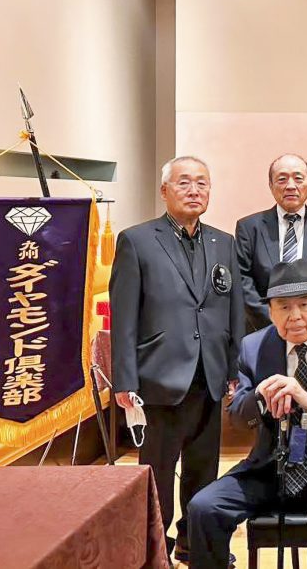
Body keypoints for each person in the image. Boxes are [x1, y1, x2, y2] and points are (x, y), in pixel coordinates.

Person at [187, 259, 307, 569]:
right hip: (270, 466)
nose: (295, 316)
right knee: (204, 507)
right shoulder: (254, 347)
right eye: (284, 307)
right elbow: (237, 416)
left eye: (304, 304)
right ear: (270, 312)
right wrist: (259, 398)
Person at [110, 156, 244, 563]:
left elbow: (234, 310)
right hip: (159, 377)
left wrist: (234, 368)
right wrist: (124, 380)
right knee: (159, 471)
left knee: (204, 469)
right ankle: (154, 548)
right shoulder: (137, 240)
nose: (194, 190)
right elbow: (124, 317)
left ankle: (196, 543)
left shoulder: (224, 242)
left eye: (202, 183)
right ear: (164, 190)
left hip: (210, 374)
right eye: (184, 182)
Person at [236, 153, 307, 331]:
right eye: (282, 179)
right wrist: (276, 323)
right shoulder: (249, 228)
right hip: (265, 330)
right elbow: (243, 281)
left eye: (298, 178)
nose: (290, 186)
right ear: (271, 185)